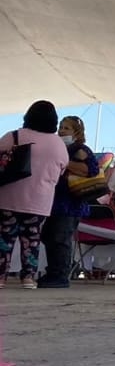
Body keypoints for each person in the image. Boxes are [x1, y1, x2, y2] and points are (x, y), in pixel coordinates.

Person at [0, 102, 66, 290]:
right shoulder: (58, 143)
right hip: (39, 200)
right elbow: (62, 168)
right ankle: (28, 277)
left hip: (8, 197)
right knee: (32, 238)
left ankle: (1, 277)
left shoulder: (14, 136)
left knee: (5, 237)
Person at [38, 115, 100, 288]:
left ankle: (60, 274)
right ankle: (56, 270)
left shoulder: (81, 150)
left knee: (60, 237)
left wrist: (64, 162)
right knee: (49, 236)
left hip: (71, 202)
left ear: (76, 132)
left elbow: (91, 170)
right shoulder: (57, 148)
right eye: (61, 127)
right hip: (55, 201)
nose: (61, 130)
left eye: (66, 128)